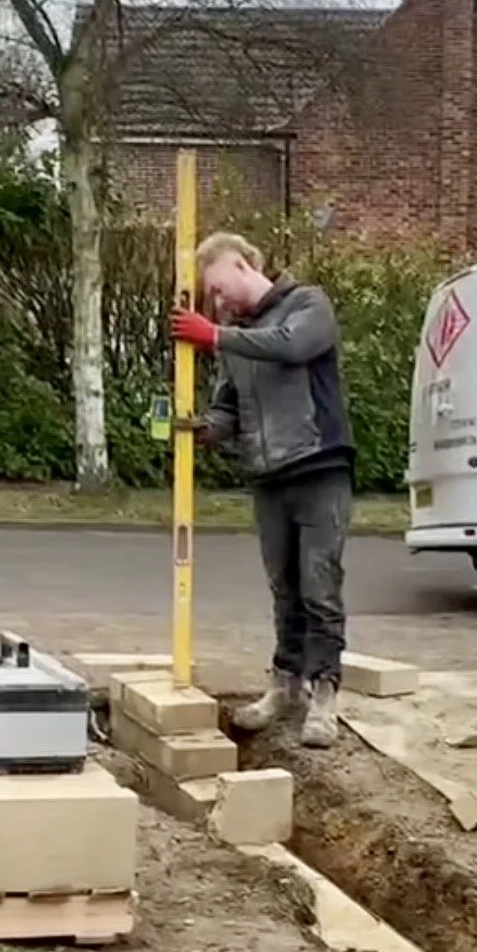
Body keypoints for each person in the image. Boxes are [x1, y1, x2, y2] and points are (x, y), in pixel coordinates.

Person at [171, 232, 353, 748]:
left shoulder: (309, 304)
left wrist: (215, 336)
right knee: (284, 588)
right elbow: (229, 406)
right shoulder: (237, 338)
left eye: (217, 288)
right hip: (268, 477)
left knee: (319, 583)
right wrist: (204, 430)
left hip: (319, 466)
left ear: (241, 263)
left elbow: (292, 345)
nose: (217, 302)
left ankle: (324, 695)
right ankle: (285, 686)